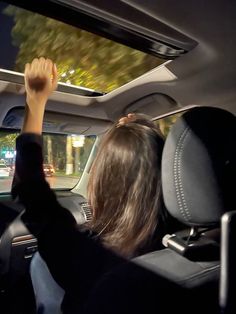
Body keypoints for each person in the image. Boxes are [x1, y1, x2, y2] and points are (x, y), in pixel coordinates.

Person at [12, 58, 180, 313]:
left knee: (39, 264)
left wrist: (35, 100)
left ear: (104, 179)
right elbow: (30, 185)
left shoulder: (87, 254)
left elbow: (29, 189)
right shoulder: (190, 244)